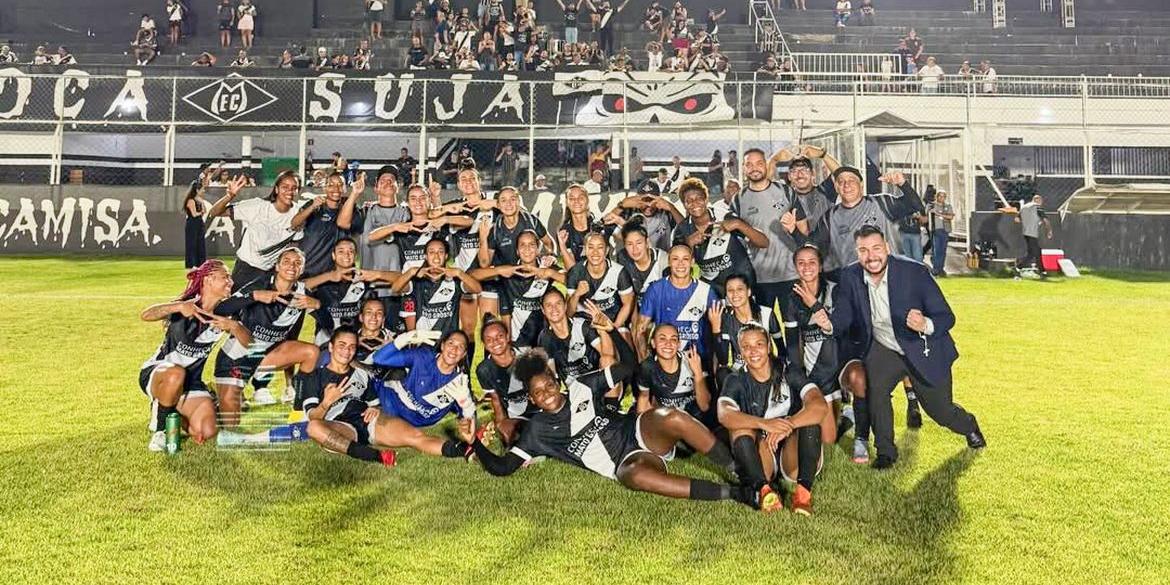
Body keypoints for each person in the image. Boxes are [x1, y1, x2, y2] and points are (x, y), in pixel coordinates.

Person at [467, 347, 763, 510]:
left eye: (549, 385)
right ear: (531, 398)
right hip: (626, 462)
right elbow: (503, 467)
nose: (547, 393)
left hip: (638, 430)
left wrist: (609, 338)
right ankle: (736, 494)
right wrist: (473, 444)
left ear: (557, 381)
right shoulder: (537, 432)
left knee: (671, 417)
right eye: (539, 393)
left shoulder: (581, 386)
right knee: (633, 477)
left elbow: (628, 367)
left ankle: (744, 473)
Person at [814, 225, 985, 469]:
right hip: (885, 347)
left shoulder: (914, 272)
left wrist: (924, 323)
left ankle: (969, 425)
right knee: (876, 392)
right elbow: (843, 317)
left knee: (940, 411)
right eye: (863, 250)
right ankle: (886, 452)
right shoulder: (851, 276)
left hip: (921, 345)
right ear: (856, 253)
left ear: (887, 248)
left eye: (876, 248)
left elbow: (947, 317)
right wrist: (828, 324)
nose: (871, 256)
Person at [139, 260, 250, 451]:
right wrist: (177, 307)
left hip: (191, 382)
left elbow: (250, 343)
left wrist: (234, 326)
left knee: (207, 430)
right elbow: (146, 314)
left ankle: (170, 408)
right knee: (176, 374)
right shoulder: (187, 306)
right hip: (159, 374)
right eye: (225, 277)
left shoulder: (226, 313)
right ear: (208, 280)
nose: (230, 282)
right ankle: (160, 429)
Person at [718, 324, 827, 515]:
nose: (753, 351)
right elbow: (724, 414)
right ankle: (764, 491)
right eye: (746, 346)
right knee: (738, 427)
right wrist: (765, 424)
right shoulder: (735, 379)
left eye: (759, 344)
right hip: (762, 454)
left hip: (793, 455)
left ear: (768, 346)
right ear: (740, 350)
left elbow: (819, 405)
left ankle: (803, 495)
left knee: (811, 422)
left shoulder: (788, 370)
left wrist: (788, 425)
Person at [212, 247, 322, 420]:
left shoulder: (302, 294)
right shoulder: (260, 284)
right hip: (237, 357)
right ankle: (214, 399)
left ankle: (299, 411)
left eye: (297, 263)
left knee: (312, 352)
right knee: (230, 422)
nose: (292, 266)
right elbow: (220, 309)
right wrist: (254, 296)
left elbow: (328, 324)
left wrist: (318, 306)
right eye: (286, 261)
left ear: (302, 269)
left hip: (267, 357)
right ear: (277, 267)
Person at [788, 244, 865, 452]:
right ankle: (845, 419)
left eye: (812, 262)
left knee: (856, 378)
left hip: (838, 365)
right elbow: (793, 342)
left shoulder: (835, 289)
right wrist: (800, 379)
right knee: (828, 441)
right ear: (795, 267)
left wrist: (814, 304)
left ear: (821, 266)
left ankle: (853, 419)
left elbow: (838, 328)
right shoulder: (792, 297)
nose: (807, 267)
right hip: (815, 371)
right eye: (801, 263)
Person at [367, 329, 480, 459]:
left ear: (464, 354)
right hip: (389, 401)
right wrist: (404, 338)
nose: (454, 350)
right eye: (451, 343)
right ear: (442, 345)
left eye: (460, 347)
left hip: (414, 421)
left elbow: (469, 418)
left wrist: (467, 408)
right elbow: (379, 358)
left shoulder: (459, 383)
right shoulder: (423, 356)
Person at [805, 166, 925, 277]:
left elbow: (915, 206)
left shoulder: (881, 203)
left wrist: (902, 183)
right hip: (851, 283)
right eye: (841, 182)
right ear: (836, 187)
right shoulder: (829, 217)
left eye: (851, 180)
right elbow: (814, 245)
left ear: (861, 185)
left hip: (885, 278)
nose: (846, 185)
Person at [731, 148, 804, 317]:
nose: (754, 168)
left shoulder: (786, 192)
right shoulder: (738, 199)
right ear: (743, 168)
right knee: (764, 327)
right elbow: (737, 239)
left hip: (790, 273)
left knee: (794, 326)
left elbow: (803, 230)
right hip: (759, 276)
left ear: (766, 165)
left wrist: (794, 231)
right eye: (749, 164)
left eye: (759, 163)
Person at [672, 177, 767, 297]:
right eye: (689, 201)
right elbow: (676, 265)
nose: (694, 203)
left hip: (741, 283)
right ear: (684, 204)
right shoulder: (681, 229)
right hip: (713, 287)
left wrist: (739, 224)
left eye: (699, 199)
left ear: (706, 199)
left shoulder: (724, 216)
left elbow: (764, 243)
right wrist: (688, 243)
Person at [205, 171, 301, 289]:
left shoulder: (299, 214)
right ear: (276, 189)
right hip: (246, 269)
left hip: (271, 273)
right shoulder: (257, 206)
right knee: (236, 306)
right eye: (285, 187)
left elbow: (295, 243)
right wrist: (229, 196)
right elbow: (214, 212)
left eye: (294, 188)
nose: (289, 191)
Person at [303, 238, 397, 346]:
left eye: (350, 251)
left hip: (355, 342)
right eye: (341, 251)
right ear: (333, 255)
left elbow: (400, 278)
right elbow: (298, 287)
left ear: (355, 255)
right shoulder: (322, 280)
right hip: (326, 340)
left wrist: (377, 274)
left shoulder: (363, 279)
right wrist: (329, 276)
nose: (346, 255)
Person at [635, 244, 717, 364]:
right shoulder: (656, 289)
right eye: (675, 259)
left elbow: (717, 331)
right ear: (668, 261)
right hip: (666, 360)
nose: (680, 264)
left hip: (698, 360)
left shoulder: (706, 291)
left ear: (692, 261)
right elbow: (640, 329)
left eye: (685, 259)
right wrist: (646, 361)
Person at [391, 238, 483, 337]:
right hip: (424, 343)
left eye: (441, 252)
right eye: (431, 252)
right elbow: (395, 289)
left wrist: (459, 273)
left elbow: (477, 289)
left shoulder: (455, 280)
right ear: (425, 256)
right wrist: (412, 271)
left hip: (447, 343)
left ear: (446, 256)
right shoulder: (417, 281)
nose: (436, 256)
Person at [290, 171, 365, 278]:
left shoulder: (352, 209)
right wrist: (312, 207)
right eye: (331, 185)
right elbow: (294, 224)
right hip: (308, 270)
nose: (336, 189)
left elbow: (343, 223)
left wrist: (354, 194)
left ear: (345, 188)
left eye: (340, 185)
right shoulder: (315, 205)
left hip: (334, 276)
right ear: (324, 188)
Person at [708, 274, 785, 375]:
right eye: (730, 290)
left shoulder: (766, 313)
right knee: (722, 373)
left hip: (764, 365)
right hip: (741, 369)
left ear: (748, 292)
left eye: (740, 289)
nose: (735, 294)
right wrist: (716, 329)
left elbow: (781, 350)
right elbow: (723, 360)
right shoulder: (726, 320)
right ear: (726, 295)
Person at [636, 323, 711, 424]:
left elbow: (704, 406)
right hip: (667, 422)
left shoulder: (692, 360)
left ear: (679, 344)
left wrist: (698, 374)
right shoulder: (647, 367)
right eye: (662, 339)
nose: (668, 343)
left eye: (673, 339)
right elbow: (644, 398)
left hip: (695, 422)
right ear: (653, 343)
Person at [475, 315, 532, 445]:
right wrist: (500, 424)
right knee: (510, 439)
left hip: (539, 410)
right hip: (517, 415)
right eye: (489, 340)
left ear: (507, 337)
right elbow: (495, 400)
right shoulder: (484, 370)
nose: (495, 342)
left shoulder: (526, 355)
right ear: (484, 344)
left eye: (499, 336)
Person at [567, 232, 636, 335]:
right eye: (591, 247)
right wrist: (576, 294)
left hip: (612, 321)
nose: (595, 252)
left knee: (624, 337)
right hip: (585, 324)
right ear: (585, 250)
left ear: (606, 250)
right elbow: (569, 312)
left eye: (600, 247)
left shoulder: (619, 272)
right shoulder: (576, 272)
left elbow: (628, 304)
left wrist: (614, 329)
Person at [1007, 194, 1053, 276]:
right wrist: (1049, 231)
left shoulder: (1024, 207)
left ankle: (1042, 270)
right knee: (1033, 253)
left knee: (1037, 252)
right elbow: (1046, 220)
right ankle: (1018, 267)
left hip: (1026, 232)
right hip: (1032, 233)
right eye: (1041, 201)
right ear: (1038, 200)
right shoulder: (1037, 207)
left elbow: (1017, 219)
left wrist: (1027, 221)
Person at [927, 191, 955, 276]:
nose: (942, 198)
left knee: (943, 250)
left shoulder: (948, 206)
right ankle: (936, 268)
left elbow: (950, 216)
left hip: (945, 230)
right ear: (937, 197)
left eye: (944, 197)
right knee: (936, 250)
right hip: (935, 229)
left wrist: (940, 214)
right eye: (940, 196)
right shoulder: (931, 206)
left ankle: (940, 268)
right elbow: (927, 215)